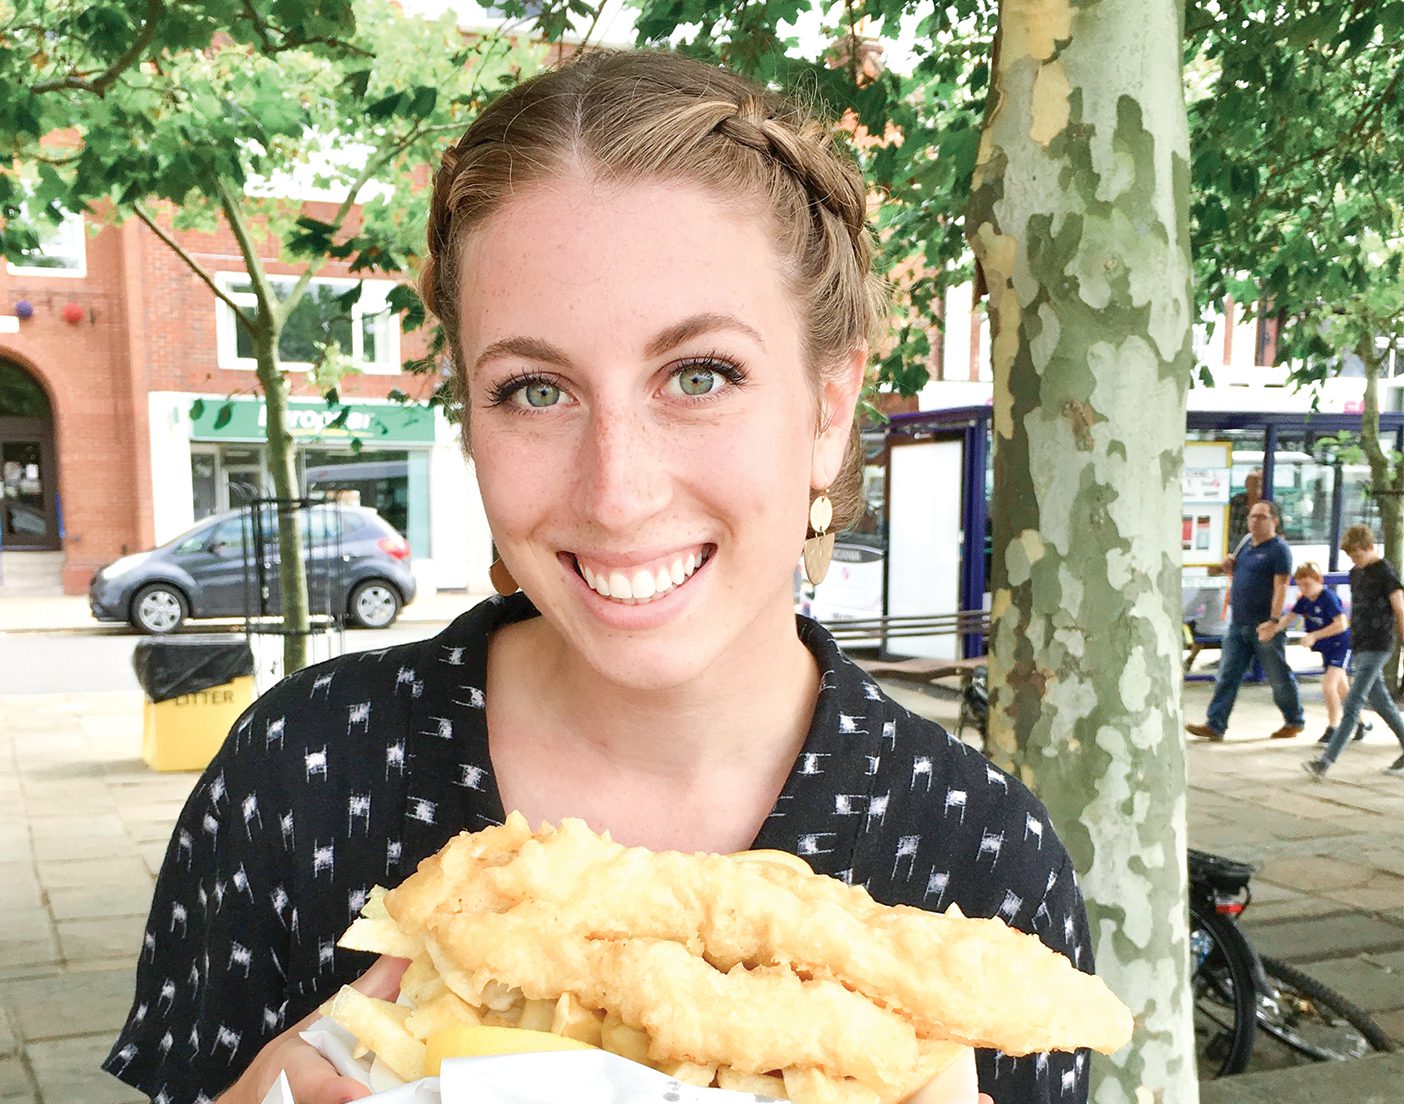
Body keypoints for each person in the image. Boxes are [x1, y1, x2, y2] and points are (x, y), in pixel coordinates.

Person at [103, 51, 1097, 1104]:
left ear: (828, 406)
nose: (616, 494)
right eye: (535, 390)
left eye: (700, 375)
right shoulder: (300, 776)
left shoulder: (982, 863)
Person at [1186, 500, 1305, 741]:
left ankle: (1294, 719)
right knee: (1227, 675)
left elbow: (1281, 585)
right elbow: (1235, 572)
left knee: (1277, 675)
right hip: (1238, 622)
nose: (1254, 521)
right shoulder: (1245, 545)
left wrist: (1273, 620)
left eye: (1261, 517)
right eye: (1252, 516)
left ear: (1274, 521)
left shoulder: (1278, 549)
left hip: (1263, 625)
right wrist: (1227, 565)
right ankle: (1215, 724)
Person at [1304, 526, 1404, 778]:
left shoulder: (1386, 572)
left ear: (1370, 547)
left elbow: (1400, 608)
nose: (1355, 560)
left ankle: (1325, 762)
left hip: (1378, 644)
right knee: (1382, 702)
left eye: (1358, 555)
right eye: (1351, 557)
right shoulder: (1355, 573)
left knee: (1352, 702)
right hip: (1360, 644)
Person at [1262, 562, 1355, 745]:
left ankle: (1333, 728)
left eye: (1308, 585)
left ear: (1319, 581)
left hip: (1341, 645)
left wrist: (1314, 635)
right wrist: (1271, 630)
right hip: (1327, 647)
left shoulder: (1328, 598)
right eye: (1301, 585)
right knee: (1343, 690)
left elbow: (1342, 624)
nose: (1304, 589)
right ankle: (1362, 723)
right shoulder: (1304, 599)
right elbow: (1289, 617)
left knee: (1329, 686)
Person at [1225, 468, 1263, 551]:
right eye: (1253, 481)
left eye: (1261, 480)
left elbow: (1280, 536)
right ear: (1246, 484)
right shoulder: (1234, 502)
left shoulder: (1272, 506)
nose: (1258, 483)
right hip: (1233, 555)